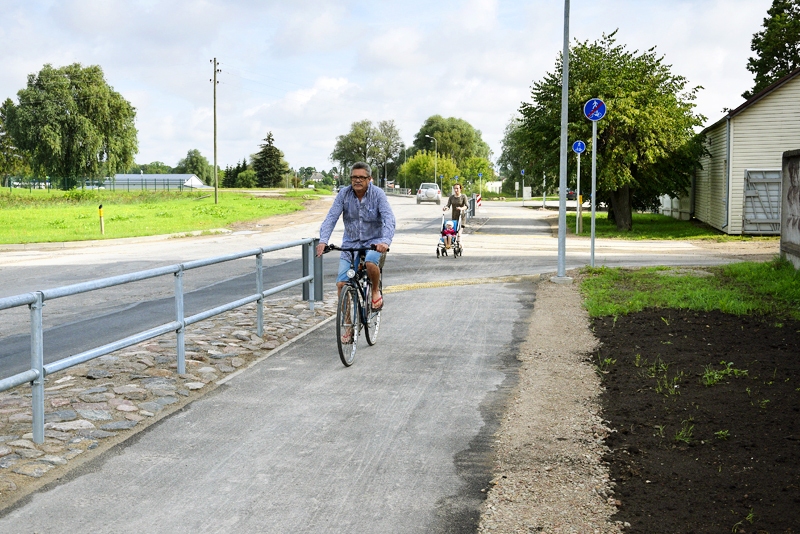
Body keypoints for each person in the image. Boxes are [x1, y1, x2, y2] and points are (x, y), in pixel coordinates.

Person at [316, 162, 395, 315]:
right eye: (354, 177)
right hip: (350, 243)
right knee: (341, 284)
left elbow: (389, 219)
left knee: (371, 263)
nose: (357, 180)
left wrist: (385, 241)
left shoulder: (378, 194)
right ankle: (346, 323)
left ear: (369, 179)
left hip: (374, 242)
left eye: (361, 177)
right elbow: (331, 218)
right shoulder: (344, 194)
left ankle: (375, 291)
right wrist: (323, 241)